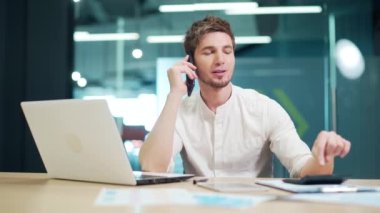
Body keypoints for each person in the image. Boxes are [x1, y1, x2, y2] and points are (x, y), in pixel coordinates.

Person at [139, 16, 351, 177]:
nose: (220, 59)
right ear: (190, 61)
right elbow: (152, 167)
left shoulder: (264, 108)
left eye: (227, 50)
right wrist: (175, 94)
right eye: (209, 52)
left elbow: (303, 168)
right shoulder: (180, 111)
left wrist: (323, 158)